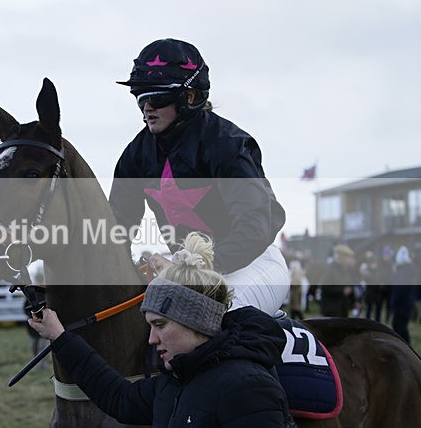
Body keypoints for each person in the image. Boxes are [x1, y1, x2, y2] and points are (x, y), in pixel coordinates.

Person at [29, 232, 297, 428]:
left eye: (160, 325)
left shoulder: (247, 388)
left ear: (196, 321)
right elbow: (117, 397)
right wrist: (61, 338)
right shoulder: (174, 383)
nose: (152, 339)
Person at [109, 38, 289, 317]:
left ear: (190, 96)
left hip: (253, 264)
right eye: (140, 98)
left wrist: (193, 269)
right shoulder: (135, 155)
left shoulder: (227, 144)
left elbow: (256, 226)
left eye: (157, 98)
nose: (147, 108)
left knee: (208, 316)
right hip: (184, 267)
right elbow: (117, 227)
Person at [318, 244, 357, 317]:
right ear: (341, 256)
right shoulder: (330, 269)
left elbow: (349, 285)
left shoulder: (345, 269)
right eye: (347, 256)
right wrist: (342, 290)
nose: (348, 259)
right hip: (332, 309)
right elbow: (325, 287)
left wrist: (354, 301)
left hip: (342, 308)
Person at [390, 245, 417, 344]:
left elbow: (399, 288)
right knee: (401, 327)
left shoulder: (403, 271)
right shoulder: (409, 269)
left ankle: (404, 349)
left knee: (399, 328)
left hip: (401, 304)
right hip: (406, 303)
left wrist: (394, 302)